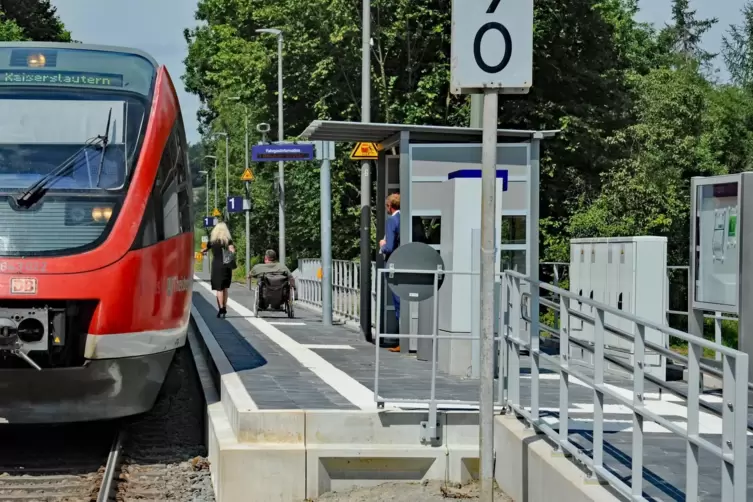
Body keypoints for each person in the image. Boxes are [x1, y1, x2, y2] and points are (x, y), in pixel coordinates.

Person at [379, 193, 401, 352]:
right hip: (407, 263)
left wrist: (382, 244)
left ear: (389, 206)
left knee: (399, 302)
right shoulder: (405, 219)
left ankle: (402, 341)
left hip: (394, 264)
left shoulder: (392, 220)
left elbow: (389, 247)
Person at [204, 222, 235, 318]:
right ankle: (224, 307)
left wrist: (202, 252)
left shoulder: (212, 241)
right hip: (226, 265)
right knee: (225, 288)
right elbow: (232, 250)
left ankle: (221, 308)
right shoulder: (227, 240)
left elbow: (205, 249)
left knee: (219, 288)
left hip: (217, 265)